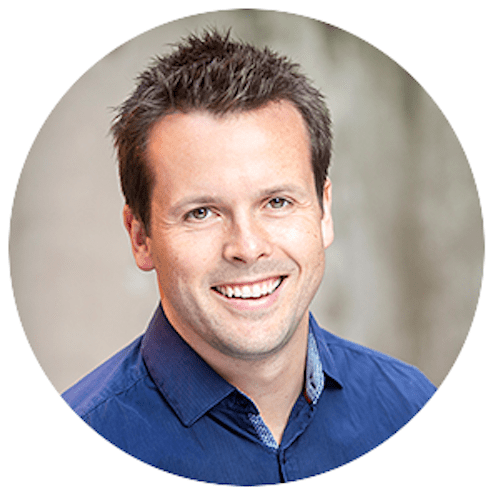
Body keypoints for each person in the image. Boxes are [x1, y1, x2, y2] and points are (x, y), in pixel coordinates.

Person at [63, 30, 436, 485]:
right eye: (202, 212)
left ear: (324, 213)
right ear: (140, 237)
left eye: (277, 202)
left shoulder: (412, 409)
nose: (247, 247)